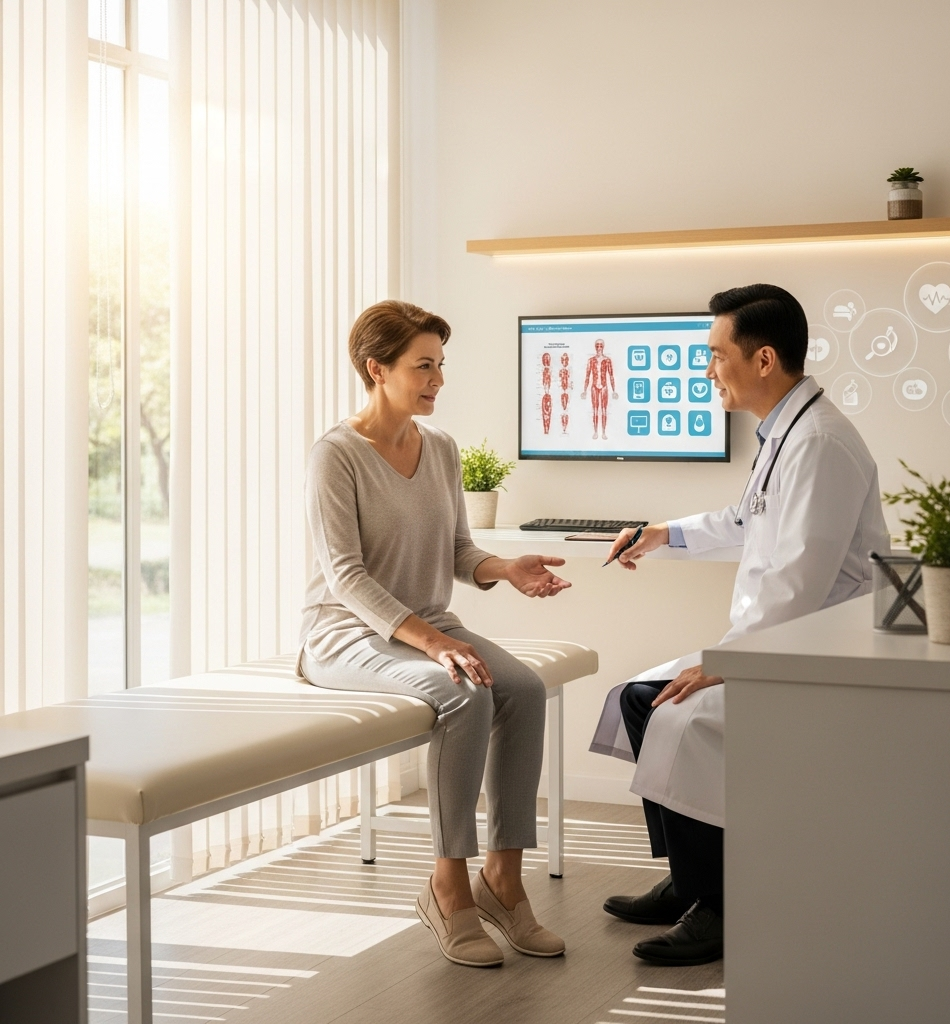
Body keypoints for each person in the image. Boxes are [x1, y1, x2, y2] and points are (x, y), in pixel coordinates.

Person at [591, 284, 889, 966]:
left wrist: (725, 661)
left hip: (812, 654)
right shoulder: (788, 430)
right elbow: (747, 521)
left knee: (680, 715)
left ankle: (719, 904)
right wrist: (661, 533)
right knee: (641, 697)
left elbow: (799, 582)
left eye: (714, 355)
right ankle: (690, 881)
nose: (706, 370)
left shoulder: (820, 443)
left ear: (762, 360)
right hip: (776, 643)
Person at [298, 300, 571, 968]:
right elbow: (346, 578)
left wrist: (505, 568)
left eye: (440, 366)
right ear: (376, 368)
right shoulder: (337, 456)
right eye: (423, 366)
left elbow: (456, 550)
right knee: (463, 693)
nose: (436, 380)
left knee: (525, 690)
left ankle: (502, 883)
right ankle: (447, 883)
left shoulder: (440, 448)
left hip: (426, 625)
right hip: (348, 634)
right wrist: (434, 643)